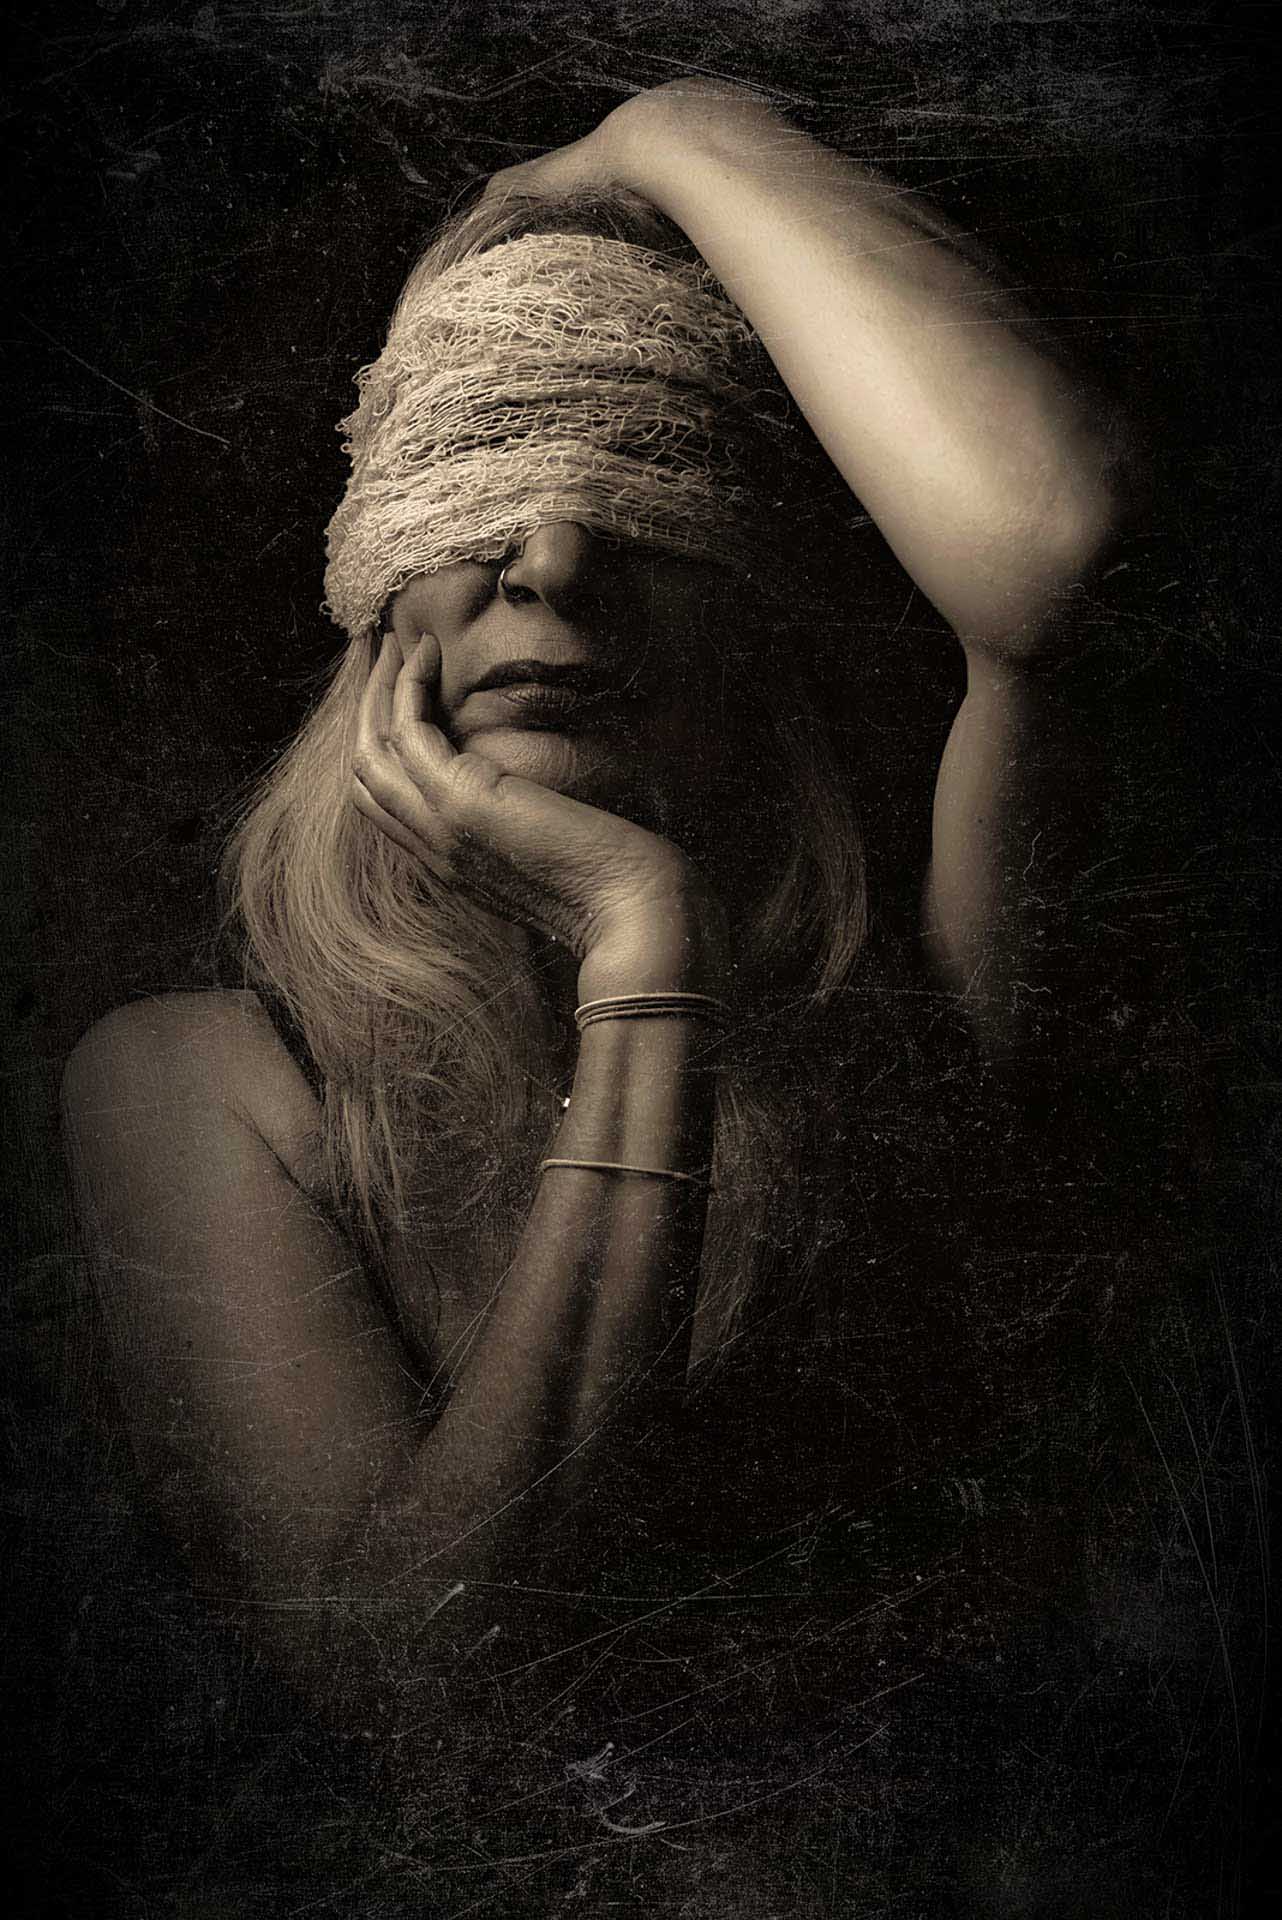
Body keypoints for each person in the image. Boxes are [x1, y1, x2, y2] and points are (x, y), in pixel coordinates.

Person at [61, 77, 1249, 1912]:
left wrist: (680, 131)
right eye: (485, 477)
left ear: (752, 591)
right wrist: (639, 961)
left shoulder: (923, 996)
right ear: (372, 575)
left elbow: (1056, 563)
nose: (550, 561)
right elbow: (438, 1690)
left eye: (636, 479)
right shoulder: (201, 1083)